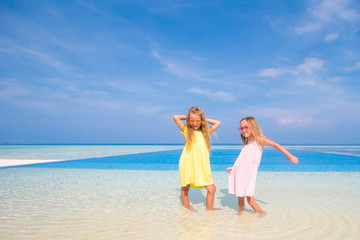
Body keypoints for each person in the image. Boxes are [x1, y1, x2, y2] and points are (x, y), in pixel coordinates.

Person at [227, 117, 298, 217]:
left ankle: (262, 212)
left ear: (253, 127)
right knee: (240, 194)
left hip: (249, 175)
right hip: (240, 173)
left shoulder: (259, 140)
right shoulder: (246, 143)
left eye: (246, 127)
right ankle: (241, 211)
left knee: (250, 199)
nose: (243, 130)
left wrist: (289, 156)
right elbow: (242, 160)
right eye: (241, 128)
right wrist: (233, 168)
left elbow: (275, 145)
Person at [173, 107, 221, 211]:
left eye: (198, 121)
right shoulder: (186, 131)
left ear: (201, 121)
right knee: (185, 188)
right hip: (187, 163)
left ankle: (210, 210)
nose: (195, 123)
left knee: (211, 188)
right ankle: (187, 208)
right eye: (192, 121)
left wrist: (203, 118)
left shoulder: (205, 133)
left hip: (202, 166)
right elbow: (175, 117)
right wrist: (189, 116)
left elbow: (217, 123)